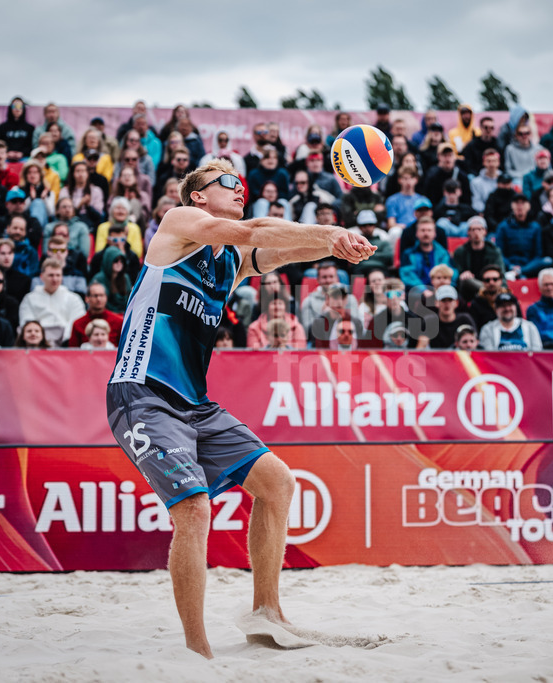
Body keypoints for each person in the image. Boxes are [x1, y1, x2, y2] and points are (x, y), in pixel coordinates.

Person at [105, 158, 373, 658]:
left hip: (194, 404)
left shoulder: (231, 259)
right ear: (199, 195)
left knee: (278, 483)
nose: (240, 189)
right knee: (194, 507)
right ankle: (196, 648)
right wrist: (331, 228)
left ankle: (266, 615)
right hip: (141, 393)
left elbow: (280, 247)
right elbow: (252, 229)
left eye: (242, 183)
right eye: (229, 181)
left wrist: (334, 244)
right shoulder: (179, 222)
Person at [18, 258, 87, 345]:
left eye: (58, 275)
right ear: (42, 277)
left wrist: (65, 341)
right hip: (37, 344)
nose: (55, 279)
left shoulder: (73, 299)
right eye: (51, 275)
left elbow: (77, 322)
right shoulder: (29, 299)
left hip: (65, 344)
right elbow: (26, 323)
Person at [452, 217, 505, 298]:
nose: (476, 232)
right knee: (466, 280)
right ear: (468, 232)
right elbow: (456, 273)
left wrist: (504, 290)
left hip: (490, 283)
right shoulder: (460, 251)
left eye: (479, 229)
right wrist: (462, 274)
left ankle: (488, 292)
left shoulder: (494, 251)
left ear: (485, 231)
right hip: (468, 289)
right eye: (473, 229)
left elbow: (501, 274)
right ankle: (489, 293)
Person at [399, 217, 454, 290]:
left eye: (429, 230)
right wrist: (423, 290)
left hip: (441, 290)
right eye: (423, 230)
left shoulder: (443, 253)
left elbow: (451, 273)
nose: (426, 233)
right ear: (417, 233)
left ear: (434, 234)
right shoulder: (408, 254)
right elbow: (407, 275)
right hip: (417, 292)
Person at [68, 282, 125, 348]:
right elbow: (72, 352)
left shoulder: (119, 322)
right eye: (95, 296)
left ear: (106, 298)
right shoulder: (78, 324)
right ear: (87, 298)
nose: (99, 299)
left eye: (101, 295)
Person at [423, 285, 477, 349]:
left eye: (450, 300)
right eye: (443, 300)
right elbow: (420, 347)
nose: (447, 303)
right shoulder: (429, 321)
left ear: (456, 303)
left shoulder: (465, 320)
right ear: (436, 303)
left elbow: (474, 344)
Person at [0, 97, 36, 161]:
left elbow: (31, 146)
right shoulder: (2, 127)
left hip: (24, 158)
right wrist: (7, 152)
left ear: (23, 109)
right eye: (14, 106)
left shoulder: (30, 128)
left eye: (20, 106)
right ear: (10, 108)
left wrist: (22, 153)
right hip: (6, 157)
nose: (17, 109)